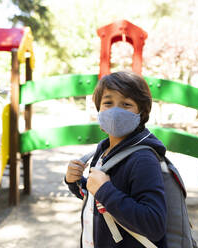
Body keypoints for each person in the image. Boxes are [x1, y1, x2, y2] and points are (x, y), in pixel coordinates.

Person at [65, 71, 167, 248]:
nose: (115, 111)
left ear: (141, 113)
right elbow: (97, 201)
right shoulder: (104, 150)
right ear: (99, 109)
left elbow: (154, 224)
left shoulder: (143, 159)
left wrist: (105, 190)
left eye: (126, 104)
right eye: (108, 103)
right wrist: (76, 183)